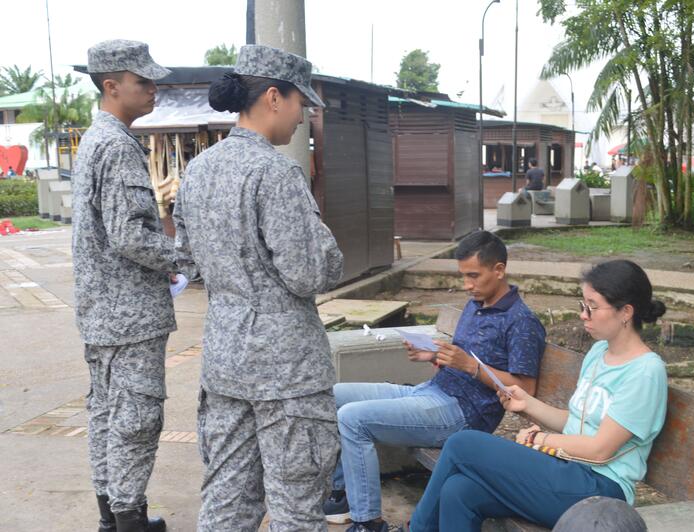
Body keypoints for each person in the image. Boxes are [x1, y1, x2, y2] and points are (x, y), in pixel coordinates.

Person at [172, 45, 343, 532]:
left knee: (227, 503)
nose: (302, 115)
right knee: (295, 512)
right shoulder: (275, 172)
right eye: (299, 103)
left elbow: (187, 259)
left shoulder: (199, 169)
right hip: (287, 371)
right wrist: (328, 248)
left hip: (225, 359)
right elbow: (310, 272)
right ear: (273, 96)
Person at [410, 259, 668, 531]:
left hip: (600, 490)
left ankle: (415, 529)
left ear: (625, 311)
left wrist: (538, 439)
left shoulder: (645, 372)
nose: (583, 315)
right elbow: (578, 422)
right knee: (459, 491)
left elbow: (600, 448)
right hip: (569, 472)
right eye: (583, 306)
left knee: (462, 444)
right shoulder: (598, 353)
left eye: (592, 307)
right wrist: (528, 405)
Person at [323, 231, 546, 532]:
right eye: (463, 276)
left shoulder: (522, 322)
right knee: (334, 395)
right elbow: (461, 361)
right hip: (431, 393)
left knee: (352, 419)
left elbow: (526, 390)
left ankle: (368, 522)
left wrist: (471, 366)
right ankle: (342, 496)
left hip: (462, 415)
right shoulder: (475, 303)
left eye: (473, 276)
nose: (467, 285)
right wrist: (433, 356)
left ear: (499, 269)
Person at [72, 40, 184, 532]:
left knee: (106, 414)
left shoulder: (95, 139)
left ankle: (114, 514)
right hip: (129, 314)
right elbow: (129, 235)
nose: (153, 89)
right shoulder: (116, 145)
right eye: (143, 82)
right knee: (137, 419)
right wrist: (184, 257)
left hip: (101, 312)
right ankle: (129, 517)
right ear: (112, 87)